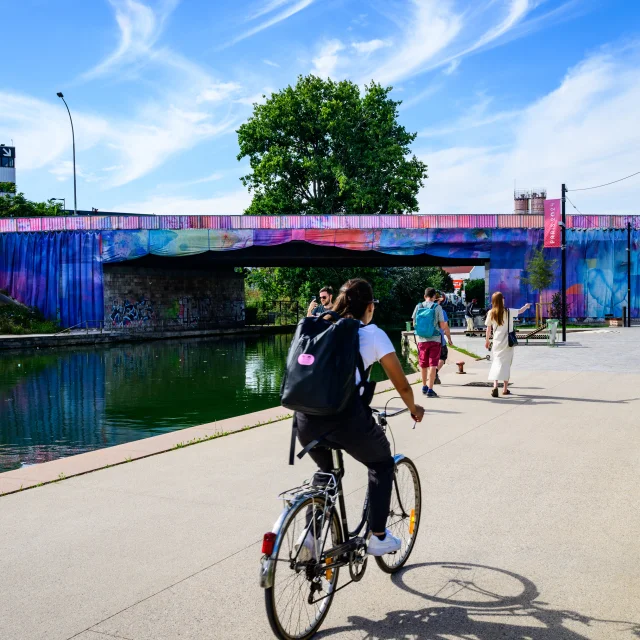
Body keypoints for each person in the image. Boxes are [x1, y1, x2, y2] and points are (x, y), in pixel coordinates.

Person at [295, 279, 425, 556]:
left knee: (326, 473)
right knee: (380, 462)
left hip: (305, 419)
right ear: (369, 307)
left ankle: (309, 539)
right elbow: (401, 384)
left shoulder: (319, 324)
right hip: (345, 420)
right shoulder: (372, 334)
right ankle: (378, 536)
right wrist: (414, 408)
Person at [485, 292, 532, 397]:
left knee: (496, 362)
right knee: (506, 364)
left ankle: (495, 386)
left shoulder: (491, 312)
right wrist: (526, 306)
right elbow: (520, 311)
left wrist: (487, 340)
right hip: (507, 341)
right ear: (501, 300)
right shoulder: (508, 311)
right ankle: (505, 389)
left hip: (497, 341)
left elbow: (488, 328)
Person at [412, 287, 448, 398]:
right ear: (434, 297)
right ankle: (430, 389)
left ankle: (424, 386)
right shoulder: (437, 307)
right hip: (435, 340)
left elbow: (414, 324)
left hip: (422, 340)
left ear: (424, 296)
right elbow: (442, 326)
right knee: (433, 364)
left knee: (423, 364)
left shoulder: (418, 306)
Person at [435, 293, 454, 385]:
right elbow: (445, 327)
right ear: (438, 301)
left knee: (431, 359)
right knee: (443, 356)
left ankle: (432, 377)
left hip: (426, 340)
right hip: (439, 339)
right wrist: (449, 339)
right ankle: (434, 373)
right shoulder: (442, 312)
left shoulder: (423, 308)